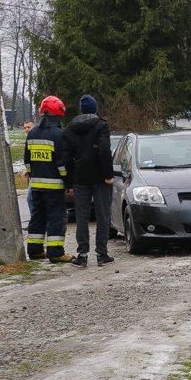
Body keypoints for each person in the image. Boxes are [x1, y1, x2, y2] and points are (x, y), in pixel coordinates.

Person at [62, 95, 114, 268]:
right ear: (95, 108)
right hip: (100, 177)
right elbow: (105, 151)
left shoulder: (70, 128)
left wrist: (68, 183)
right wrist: (108, 174)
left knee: (81, 217)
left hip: (79, 178)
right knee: (103, 215)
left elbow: (66, 157)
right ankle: (102, 254)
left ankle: (82, 254)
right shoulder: (101, 125)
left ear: (82, 109)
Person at [24, 95, 73, 262]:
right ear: (57, 114)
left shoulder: (32, 134)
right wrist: (68, 183)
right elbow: (62, 165)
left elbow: (27, 161)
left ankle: (35, 250)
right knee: (56, 218)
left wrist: (33, 176)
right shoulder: (59, 134)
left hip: (36, 185)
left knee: (37, 217)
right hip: (54, 187)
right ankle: (56, 253)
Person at [22, 120, 35, 218]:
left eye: (28, 127)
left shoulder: (35, 140)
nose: (26, 129)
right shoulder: (29, 140)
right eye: (25, 128)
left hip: (38, 175)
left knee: (30, 198)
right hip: (34, 174)